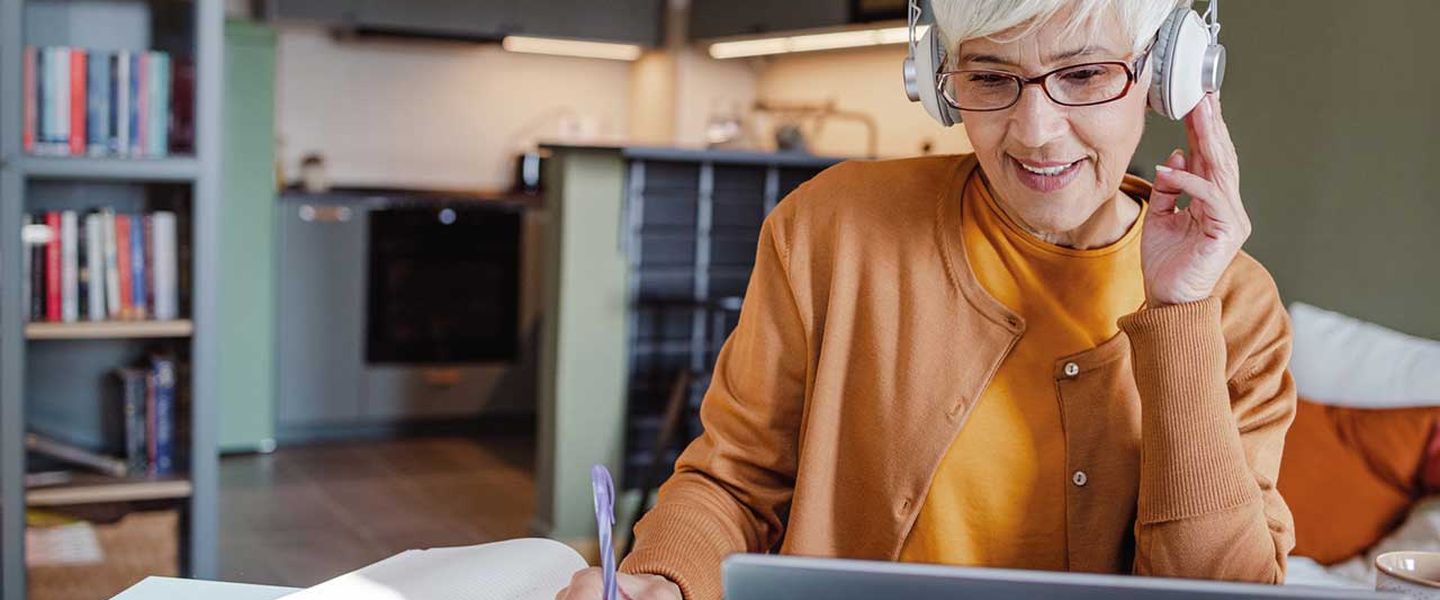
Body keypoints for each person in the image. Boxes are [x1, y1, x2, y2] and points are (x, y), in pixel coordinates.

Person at [559, 1, 1294, 598]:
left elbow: (1223, 590)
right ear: (939, 83)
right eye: (989, 76)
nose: (1035, 133)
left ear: (1170, 76)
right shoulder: (831, 228)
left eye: (1085, 74)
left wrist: (1179, 316)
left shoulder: (1235, 305)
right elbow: (735, 481)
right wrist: (665, 579)